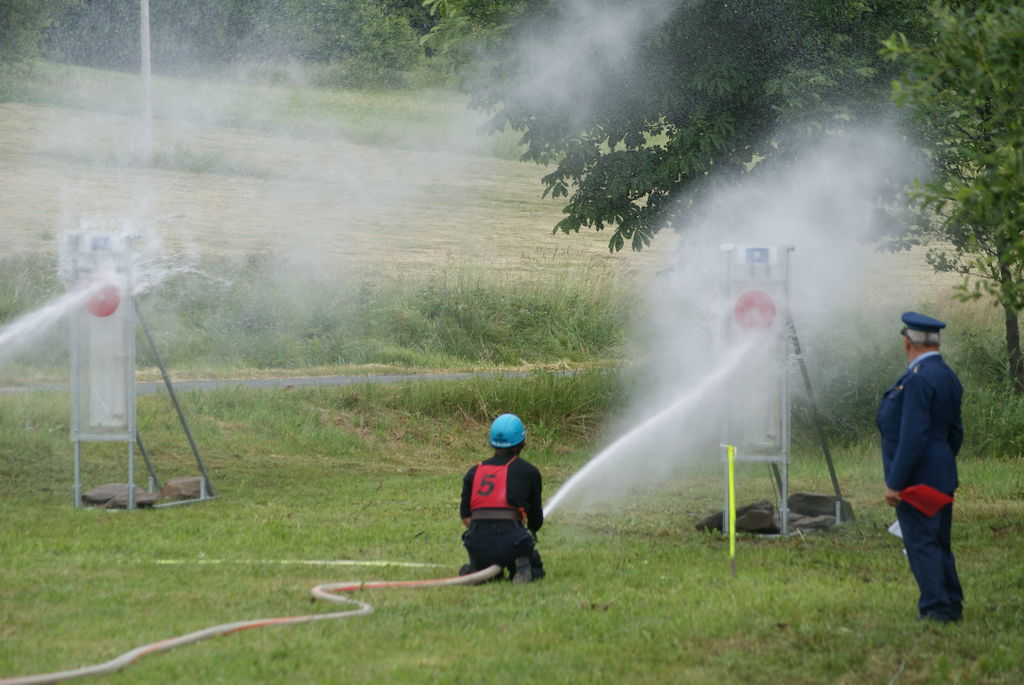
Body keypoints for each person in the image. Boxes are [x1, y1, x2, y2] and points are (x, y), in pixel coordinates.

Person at [876, 311, 964, 623]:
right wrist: (941, 462)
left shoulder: (917, 379)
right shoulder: (946, 375)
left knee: (921, 543)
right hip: (940, 473)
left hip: (917, 478)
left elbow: (912, 436)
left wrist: (895, 482)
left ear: (907, 342)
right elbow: (955, 432)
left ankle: (936, 610)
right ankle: (951, 603)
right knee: (938, 542)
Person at [459, 413, 545, 583]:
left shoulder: (474, 472)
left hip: (478, 543)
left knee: (478, 572)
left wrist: (487, 534)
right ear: (522, 443)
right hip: (513, 542)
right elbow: (535, 522)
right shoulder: (529, 472)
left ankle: (478, 569)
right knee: (536, 566)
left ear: (491, 442)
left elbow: (466, 517)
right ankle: (522, 567)